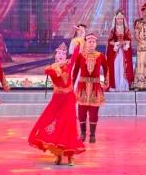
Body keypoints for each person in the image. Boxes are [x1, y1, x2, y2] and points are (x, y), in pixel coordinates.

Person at [29, 35, 86, 165]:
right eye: (59, 53)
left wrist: (81, 36)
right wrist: (58, 65)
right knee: (55, 125)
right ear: (55, 56)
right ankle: (58, 154)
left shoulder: (69, 64)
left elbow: (76, 53)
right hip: (57, 101)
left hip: (69, 99)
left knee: (69, 125)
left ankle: (70, 156)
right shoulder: (51, 68)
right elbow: (50, 72)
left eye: (63, 53)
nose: (61, 55)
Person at [73, 33, 108, 143]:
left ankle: (92, 135)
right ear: (86, 43)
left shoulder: (100, 56)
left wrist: (106, 82)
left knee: (94, 112)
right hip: (82, 87)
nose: (92, 43)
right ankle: (83, 133)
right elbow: (75, 71)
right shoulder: (80, 56)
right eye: (89, 42)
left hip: (95, 87)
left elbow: (107, 69)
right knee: (81, 112)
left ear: (96, 44)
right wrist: (71, 84)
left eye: (93, 42)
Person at [106, 10, 134, 92]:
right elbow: (109, 41)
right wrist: (117, 43)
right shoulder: (113, 30)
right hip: (116, 52)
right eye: (118, 19)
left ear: (123, 19)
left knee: (123, 67)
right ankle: (115, 85)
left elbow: (129, 40)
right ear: (115, 19)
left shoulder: (126, 30)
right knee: (116, 67)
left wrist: (125, 43)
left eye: (121, 19)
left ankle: (123, 86)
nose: (120, 20)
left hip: (124, 52)